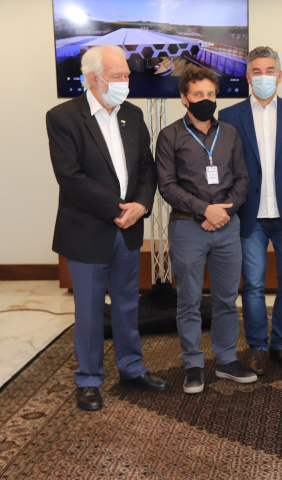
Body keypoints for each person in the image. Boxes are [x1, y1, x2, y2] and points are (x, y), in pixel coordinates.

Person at [46, 44, 167, 411]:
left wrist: (141, 205)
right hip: (87, 231)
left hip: (128, 229)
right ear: (93, 79)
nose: (126, 81)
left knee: (128, 305)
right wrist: (119, 210)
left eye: (127, 75)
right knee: (89, 310)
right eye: (118, 76)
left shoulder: (132, 114)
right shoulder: (63, 117)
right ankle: (88, 379)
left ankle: (132, 369)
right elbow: (70, 177)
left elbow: (146, 167)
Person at [155, 66, 256, 394]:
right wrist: (205, 210)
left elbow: (242, 178)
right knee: (188, 300)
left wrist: (224, 212)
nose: (205, 100)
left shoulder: (229, 133)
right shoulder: (169, 136)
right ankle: (193, 365)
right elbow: (167, 185)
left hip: (227, 226)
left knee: (227, 299)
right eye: (198, 94)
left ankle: (226, 360)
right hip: (188, 227)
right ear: (184, 98)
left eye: (210, 94)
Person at [219, 46, 282, 376]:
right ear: (248, 77)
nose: (264, 76)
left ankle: (281, 345)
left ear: (280, 75)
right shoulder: (230, 116)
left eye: (270, 70)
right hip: (249, 216)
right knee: (252, 285)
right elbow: (226, 167)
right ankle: (258, 347)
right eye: (257, 71)